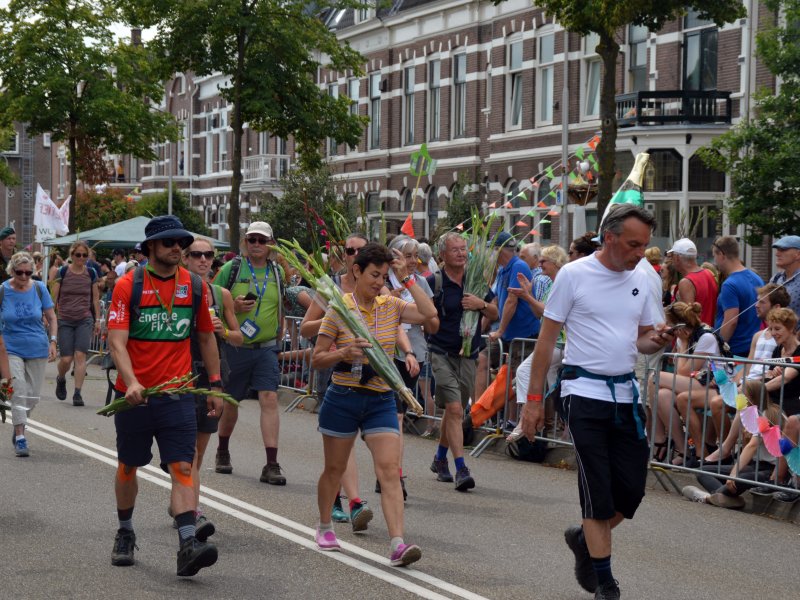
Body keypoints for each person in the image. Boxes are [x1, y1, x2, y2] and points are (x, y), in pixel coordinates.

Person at [520, 204, 672, 600]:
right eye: (633, 244)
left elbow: (642, 338)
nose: (640, 252)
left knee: (632, 492)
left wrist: (656, 339)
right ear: (609, 237)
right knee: (597, 489)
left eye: (645, 245)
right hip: (582, 393)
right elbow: (546, 341)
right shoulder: (574, 275)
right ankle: (605, 583)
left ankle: (583, 540)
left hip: (625, 396)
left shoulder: (643, 277)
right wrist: (533, 401)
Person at [107, 215, 223, 576]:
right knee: (128, 467)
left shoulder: (194, 285)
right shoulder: (128, 285)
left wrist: (216, 385)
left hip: (178, 394)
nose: (178, 248)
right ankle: (125, 531)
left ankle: (188, 545)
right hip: (135, 397)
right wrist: (132, 382)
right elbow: (116, 342)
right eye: (170, 242)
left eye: (181, 243)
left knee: (183, 466)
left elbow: (206, 336)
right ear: (151, 247)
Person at [311, 242, 437, 566]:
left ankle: (397, 544)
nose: (379, 282)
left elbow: (428, 314)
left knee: (389, 471)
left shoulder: (391, 305)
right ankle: (324, 526)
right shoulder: (339, 309)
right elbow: (317, 358)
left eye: (383, 276)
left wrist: (406, 278)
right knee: (334, 468)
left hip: (380, 398)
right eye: (374, 275)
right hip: (343, 397)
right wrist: (343, 352)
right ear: (356, 272)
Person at [301, 233, 374, 527]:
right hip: (332, 369)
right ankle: (346, 501)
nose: (354, 254)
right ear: (344, 256)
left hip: (367, 374)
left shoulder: (377, 287)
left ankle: (348, 498)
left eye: (360, 250)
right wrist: (335, 316)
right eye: (349, 250)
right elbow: (306, 328)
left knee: (352, 442)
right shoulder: (329, 286)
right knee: (341, 442)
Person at [213, 221, 286, 485]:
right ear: (245, 242)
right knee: (231, 402)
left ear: (270, 244)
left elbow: (280, 305)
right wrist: (232, 306)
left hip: (266, 348)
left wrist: (279, 335)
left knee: (269, 398)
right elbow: (211, 300)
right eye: (252, 239)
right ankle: (222, 450)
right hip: (235, 348)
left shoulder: (278, 271)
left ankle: (271, 463)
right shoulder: (231, 269)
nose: (256, 244)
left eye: (262, 240)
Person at [427, 232, 498, 491]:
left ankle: (439, 458)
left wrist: (480, 304)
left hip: (468, 354)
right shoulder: (434, 281)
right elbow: (425, 314)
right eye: (454, 249)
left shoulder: (475, 279)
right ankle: (461, 468)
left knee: (453, 410)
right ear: (442, 255)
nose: (460, 253)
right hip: (441, 353)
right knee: (456, 409)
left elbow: (495, 312)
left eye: (463, 249)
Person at [182, 239, 243, 540]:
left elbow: (239, 337)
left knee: (199, 450)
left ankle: (184, 501)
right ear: (185, 258)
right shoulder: (178, 291)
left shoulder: (221, 294)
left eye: (208, 255)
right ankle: (191, 511)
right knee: (188, 450)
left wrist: (223, 330)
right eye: (197, 255)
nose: (203, 260)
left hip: (212, 375)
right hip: (182, 373)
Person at [385, 235, 438, 498]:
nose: (414, 261)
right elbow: (388, 318)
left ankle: (394, 474)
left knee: (397, 417)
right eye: (408, 256)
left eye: (416, 256)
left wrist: (411, 291)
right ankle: (388, 470)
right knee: (388, 419)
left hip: (413, 355)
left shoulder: (420, 282)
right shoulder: (381, 280)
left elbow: (433, 322)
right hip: (384, 355)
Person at [508, 244, 568, 441]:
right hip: (553, 342)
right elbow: (538, 313)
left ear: (556, 262)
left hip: (559, 343)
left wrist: (527, 296)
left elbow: (549, 313)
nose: (540, 264)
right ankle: (565, 428)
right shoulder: (551, 284)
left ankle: (524, 420)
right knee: (557, 389)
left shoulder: (562, 283)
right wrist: (529, 296)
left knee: (524, 371)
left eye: (544, 261)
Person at [475, 233, 539, 415]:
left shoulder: (518, 266)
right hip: (507, 334)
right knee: (482, 359)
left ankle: (516, 419)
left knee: (518, 375)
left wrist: (500, 330)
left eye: (491, 248)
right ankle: (477, 411)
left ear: (499, 249)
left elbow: (512, 301)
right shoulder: (503, 269)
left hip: (522, 334)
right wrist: (482, 324)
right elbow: (496, 300)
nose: (489, 252)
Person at [650, 302, 722, 465]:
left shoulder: (705, 337)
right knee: (662, 395)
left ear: (679, 326)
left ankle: (659, 439)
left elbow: (682, 372)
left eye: (670, 325)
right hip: (697, 382)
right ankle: (683, 449)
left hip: (713, 385)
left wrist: (682, 344)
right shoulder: (686, 337)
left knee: (654, 377)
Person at [1, 252, 58, 457]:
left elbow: (52, 317)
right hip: (11, 348)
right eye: (20, 272)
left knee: (32, 396)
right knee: (19, 390)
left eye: (28, 272)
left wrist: (53, 341)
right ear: (12, 271)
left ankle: (20, 423)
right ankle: (20, 437)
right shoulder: (3, 291)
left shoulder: (40, 288)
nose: (24, 276)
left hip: (37, 347)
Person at [51, 241, 101, 407]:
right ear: (72, 255)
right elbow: (54, 297)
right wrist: (50, 317)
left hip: (84, 319)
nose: (81, 258)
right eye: (78, 255)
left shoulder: (91, 273)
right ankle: (61, 378)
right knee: (66, 359)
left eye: (84, 255)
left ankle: (77, 393)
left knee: (80, 356)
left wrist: (98, 320)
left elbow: (95, 299)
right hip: (65, 319)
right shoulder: (63, 271)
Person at [712, 236, 764, 357]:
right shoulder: (757, 278)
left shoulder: (729, 285)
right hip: (752, 347)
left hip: (734, 351)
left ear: (721, 255)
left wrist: (719, 349)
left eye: (715, 256)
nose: (715, 262)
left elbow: (731, 321)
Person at [667, 238, 718, 327]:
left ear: (677, 258)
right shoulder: (708, 274)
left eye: (672, 256)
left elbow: (687, 320)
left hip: (695, 334)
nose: (671, 260)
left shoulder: (686, 282)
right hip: (709, 331)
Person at [769, 235, 800, 319]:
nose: (777, 254)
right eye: (777, 250)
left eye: (783, 249)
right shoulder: (776, 278)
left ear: (798, 254)